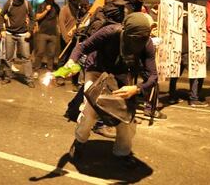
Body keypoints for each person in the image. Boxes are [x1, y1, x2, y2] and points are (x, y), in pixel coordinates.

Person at [67, 12, 157, 164]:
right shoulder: (109, 32)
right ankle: (79, 142)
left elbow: (153, 76)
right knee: (90, 110)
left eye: (143, 38)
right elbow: (82, 47)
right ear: (125, 31)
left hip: (121, 76)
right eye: (136, 38)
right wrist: (71, 62)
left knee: (126, 116)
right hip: (97, 71)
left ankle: (122, 152)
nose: (139, 42)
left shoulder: (147, 43)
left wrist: (136, 88)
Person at [168, 0, 208, 108]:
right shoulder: (186, 17)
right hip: (187, 49)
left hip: (176, 48)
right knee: (195, 74)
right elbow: (193, 30)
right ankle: (194, 99)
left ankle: (171, 97)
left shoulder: (176, 15)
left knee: (174, 75)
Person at [0, 0, 35, 88]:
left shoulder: (27, 4)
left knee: (26, 58)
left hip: (23, 34)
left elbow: (33, 18)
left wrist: (30, 31)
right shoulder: (9, 3)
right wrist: (2, 30)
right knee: (8, 58)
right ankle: (7, 77)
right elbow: (1, 16)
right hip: (10, 33)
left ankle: (29, 79)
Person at [57, 0, 81, 86]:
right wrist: (66, 38)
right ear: (71, 1)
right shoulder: (64, 9)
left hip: (75, 38)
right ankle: (59, 77)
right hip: (66, 39)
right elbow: (61, 24)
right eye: (75, 0)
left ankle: (75, 81)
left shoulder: (78, 10)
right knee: (63, 58)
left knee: (74, 59)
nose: (77, 2)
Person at [33, 0, 60, 74]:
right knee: (40, 52)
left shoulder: (56, 7)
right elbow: (37, 17)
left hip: (53, 34)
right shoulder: (41, 5)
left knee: (51, 53)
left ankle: (49, 69)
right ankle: (36, 69)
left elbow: (58, 17)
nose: (51, 0)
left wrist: (58, 28)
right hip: (42, 33)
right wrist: (46, 11)